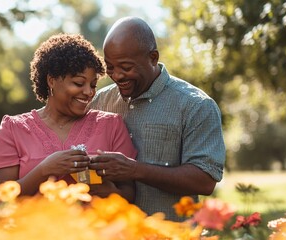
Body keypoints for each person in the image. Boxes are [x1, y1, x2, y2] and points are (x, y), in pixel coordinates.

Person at [88, 16, 226, 221]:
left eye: (126, 67)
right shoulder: (99, 101)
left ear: (153, 57)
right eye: (110, 67)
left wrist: (133, 170)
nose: (117, 75)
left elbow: (204, 181)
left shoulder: (196, 106)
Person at [0, 33, 137, 202]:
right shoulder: (13, 129)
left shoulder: (111, 126)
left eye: (93, 85)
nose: (88, 92)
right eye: (79, 83)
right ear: (51, 81)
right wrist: (45, 170)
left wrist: (111, 192)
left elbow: (129, 195)